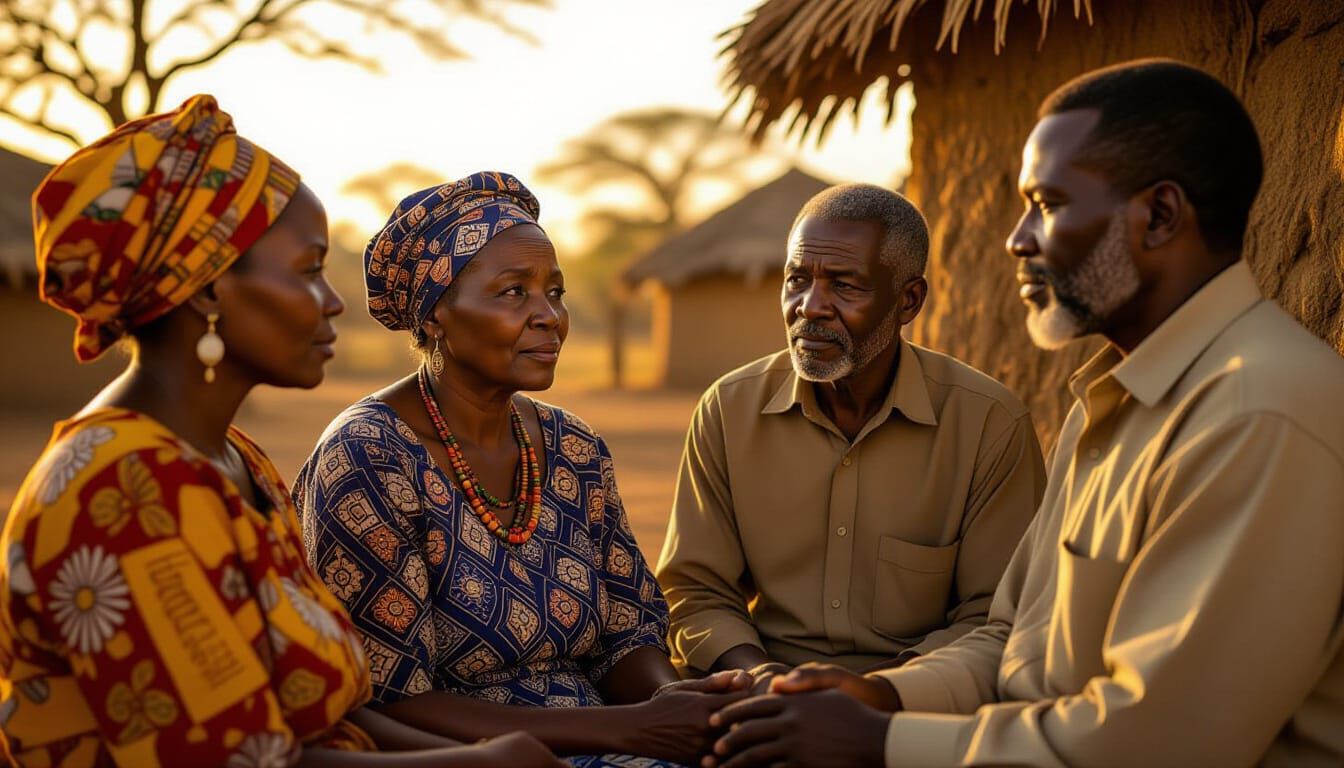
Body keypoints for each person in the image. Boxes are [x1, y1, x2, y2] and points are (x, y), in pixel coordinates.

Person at [708, 59, 1344, 767]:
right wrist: (881, 697)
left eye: (1047, 204)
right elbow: (1012, 641)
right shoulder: (1111, 404)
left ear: (1159, 215)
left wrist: (881, 742)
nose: (1016, 239)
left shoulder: (1258, 414)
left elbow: (1160, 744)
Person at [0, 96, 562, 768]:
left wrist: (499, 752)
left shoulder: (233, 461)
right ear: (208, 291)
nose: (333, 302)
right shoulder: (123, 491)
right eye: (307, 271)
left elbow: (332, 720)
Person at [293, 171, 746, 767]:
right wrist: (627, 730)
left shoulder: (573, 448)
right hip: (465, 756)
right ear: (435, 317)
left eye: (553, 293)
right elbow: (387, 700)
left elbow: (625, 635)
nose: (549, 317)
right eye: (513, 293)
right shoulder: (369, 458)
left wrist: (675, 702)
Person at [654, 183, 1046, 687]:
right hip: (756, 693)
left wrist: (876, 697)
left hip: (915, 704)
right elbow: (696, 590)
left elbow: (995, 616)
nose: (810, 306)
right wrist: (763, 680)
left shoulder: (988, 423)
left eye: (845, 286)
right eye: (797, 280)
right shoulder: (729, 410)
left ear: (908, 301)